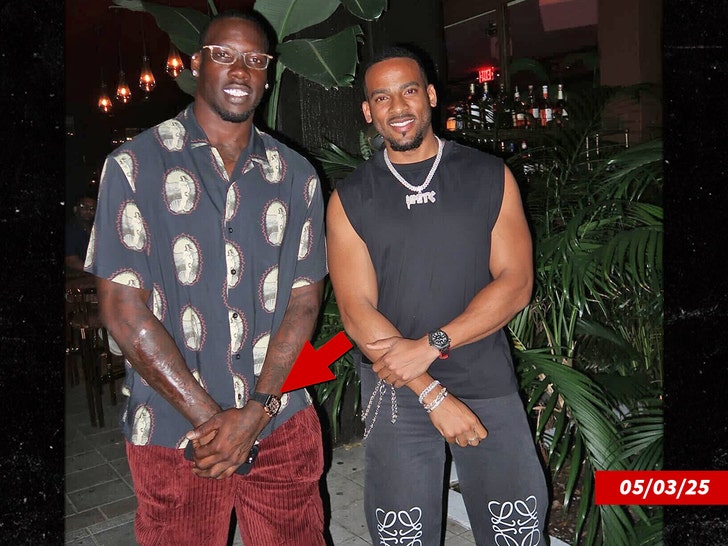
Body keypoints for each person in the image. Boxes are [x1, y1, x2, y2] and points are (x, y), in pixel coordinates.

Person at [84, 10, 328, 546]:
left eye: (255, 59)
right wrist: (215, 423)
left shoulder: (296, 176)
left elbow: (304, 302)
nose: (240, 70)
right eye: (224, 55)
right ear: (196, 64)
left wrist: (256, 412)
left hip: (281, 423)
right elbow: (123, 311)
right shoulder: (133, 167)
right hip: (175, 434)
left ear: (268, 74)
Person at [326, 46, 548, 545]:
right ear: (368, 111)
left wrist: (432, 345)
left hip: (484, 378)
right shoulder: (350, 199)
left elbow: (516, 283)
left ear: (429, 95)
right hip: (396, 389)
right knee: (402, 537)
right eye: (381, 97)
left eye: (408, 91)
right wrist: (430, 390)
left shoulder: (488, 176)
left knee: (517, 532)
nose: (397, 107)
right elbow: (356, 311)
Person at [65, 194, 96, 273]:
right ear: (75, 209)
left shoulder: (96, 230)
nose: (88, 210)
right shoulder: (70, 230)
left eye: (92, 208)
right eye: (83, 207)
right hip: (78, 275)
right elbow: (71, 261)